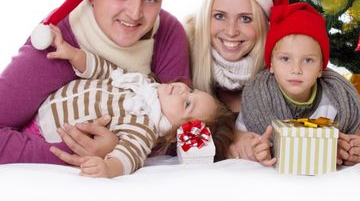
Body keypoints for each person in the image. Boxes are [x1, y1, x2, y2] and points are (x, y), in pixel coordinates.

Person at [0, 0, 191, 166]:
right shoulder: (58, 42)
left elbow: (183, 130)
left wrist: (118, 149)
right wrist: (77, 153)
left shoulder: (167, 31)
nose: (135, 13)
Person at [19, 25, 234, 178]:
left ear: (175, 131)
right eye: (192, 90)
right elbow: (107, 71)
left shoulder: (144, 126)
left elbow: (130, 155)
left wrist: (108, 168)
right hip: (39, 105)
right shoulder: (145, 83)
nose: (182, 90)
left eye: (187, 103)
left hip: (44, 131)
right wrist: (74, 55)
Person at [237, 2, 360, 166]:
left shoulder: (335, 101)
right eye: (285, 59)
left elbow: (355, 131)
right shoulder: (257, 98)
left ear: (320, 68)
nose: (296, 69)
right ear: (271, 65)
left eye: (308, 60)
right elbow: (240, 136)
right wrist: (254, 148)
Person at [184, 0, 289, 158]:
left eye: (246, 19)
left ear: (265, 24)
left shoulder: (285, 64)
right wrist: (229, 138)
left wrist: (357, 135)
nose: (231, 31)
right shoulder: (184, 55)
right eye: (219, 16)